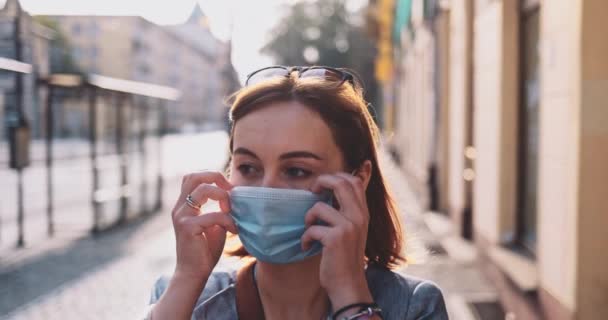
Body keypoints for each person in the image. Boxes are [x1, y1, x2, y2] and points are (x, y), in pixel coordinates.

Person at [144, 66, 448, 320]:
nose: (266, 190)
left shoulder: (412, 306)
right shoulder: (184, 297)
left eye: (297, 171)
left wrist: (350, 294)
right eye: (248, 167)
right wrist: (187, 279)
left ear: (359, 177)